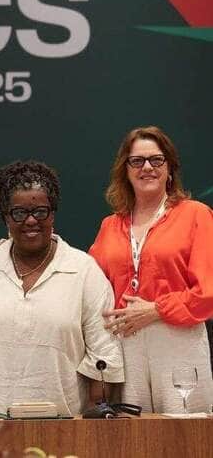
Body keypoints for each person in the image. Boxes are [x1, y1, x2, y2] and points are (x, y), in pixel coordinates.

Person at [0, 161, 123, 416]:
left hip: (65, 426)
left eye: (40, 211)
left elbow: (104, 355)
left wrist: (96, 425)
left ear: (53, 213)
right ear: (5, 216)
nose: (31, 220)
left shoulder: (84, 271)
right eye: (19, 212)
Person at [90, 126, 213, 413]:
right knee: (132, 443)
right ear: (126, 170)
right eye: (137, 161)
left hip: (178, 342)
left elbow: (208, 293)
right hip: (125, 347)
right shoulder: (111, 226)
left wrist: (156, 309)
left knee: (186, 441)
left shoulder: (195, 215)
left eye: (156, 160)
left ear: (169, 169)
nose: (147, 167)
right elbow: (88, 282)